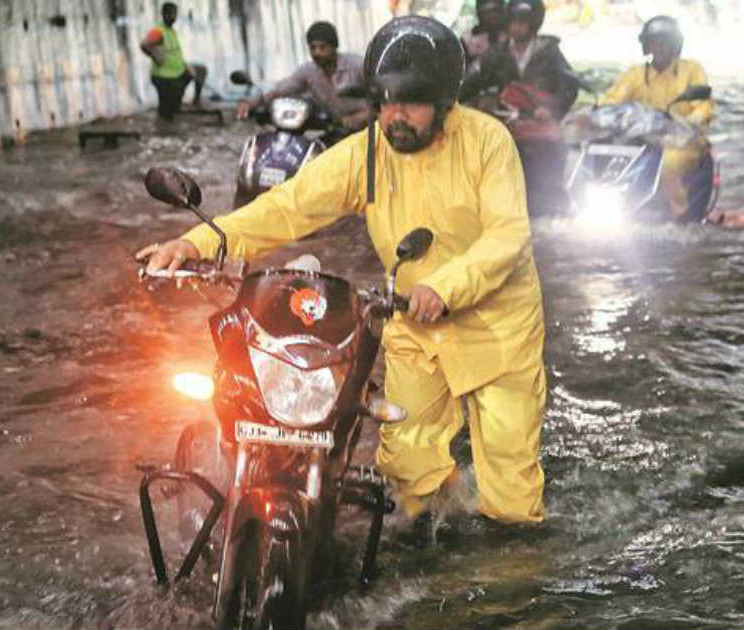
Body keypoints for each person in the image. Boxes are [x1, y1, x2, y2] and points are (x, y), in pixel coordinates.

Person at [139, 15, 548, 526]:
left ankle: (513, 582)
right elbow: (287, 206)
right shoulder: (367, 153)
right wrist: (198, 240)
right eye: (385, 102)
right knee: (409, 471)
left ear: (445, 104)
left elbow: (508, 236)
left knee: (511, 494)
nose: (395, 116)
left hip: (498, 330)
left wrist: (444, 287)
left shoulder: (489, 142)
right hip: (417, 328)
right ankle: (446, 544)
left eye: (411, 104)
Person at [460, 0, 578, 214]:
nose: (517, 28)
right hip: (506, 120)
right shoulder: (497, 53)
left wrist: (551, 110)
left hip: (541, 123)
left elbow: (569, 87)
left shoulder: (549, 51)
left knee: (553, 151)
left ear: (533, 24)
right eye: (513, 22)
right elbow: (471, 81)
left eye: (523, 23)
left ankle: (554, 205)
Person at [599, 15, 715, 219]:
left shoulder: (691, 69)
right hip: (642, 141)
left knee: (668, 162)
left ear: (675, 45)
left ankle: (678, 217)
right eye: (654, 42)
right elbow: (611, 101)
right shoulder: (636, 74)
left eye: (664, 42)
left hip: (683, 142)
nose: (659, 47)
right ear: (646, 45)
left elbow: (704, 107)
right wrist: (601, 114)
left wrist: (688, 123)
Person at [235, 21, 372, 134]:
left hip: (369, 129)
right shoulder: (309, 71)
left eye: (322, 47)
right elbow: (280, 90)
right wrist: (252, 103)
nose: (317, 52)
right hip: (337, 129)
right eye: (313, 48)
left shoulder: (356, 66)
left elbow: (385, 97)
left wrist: (363, 116)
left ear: (334, 46)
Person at [140, 2, 206, 120]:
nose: (172, 17)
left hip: (177, 74)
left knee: (200, 71)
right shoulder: (158, 31)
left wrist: (187, 67)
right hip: (163, 78)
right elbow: (144, 44)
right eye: (169, 14)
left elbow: (176, 54)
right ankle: (164, 129)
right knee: (167, 112)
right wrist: (155, 56)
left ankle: (195, 102)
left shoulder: (171, 31)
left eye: (174, 14)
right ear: (163, 14)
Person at [462, 0, 508, 76]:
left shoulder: (511, 35)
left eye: (495, 11)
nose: (491, 16)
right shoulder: (469, 38)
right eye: (486, 12)